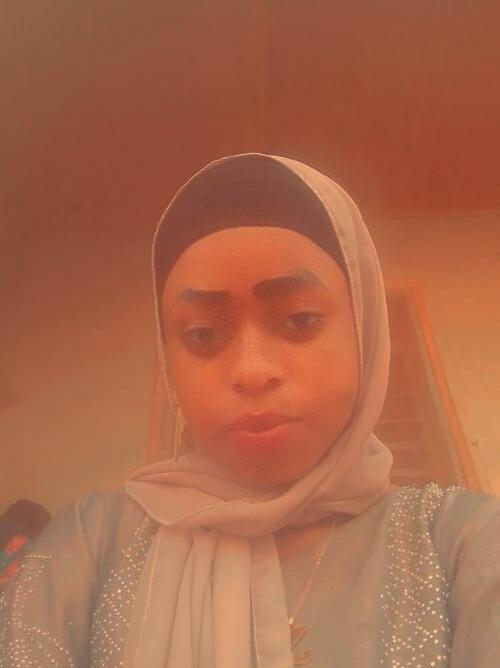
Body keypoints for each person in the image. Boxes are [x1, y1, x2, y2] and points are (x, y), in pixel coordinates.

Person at [1, 153, 498, 667]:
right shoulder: (93, 543)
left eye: (299, 320)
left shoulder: (462, 545)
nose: (251, 370)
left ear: (364, 333)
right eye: (203, 334)